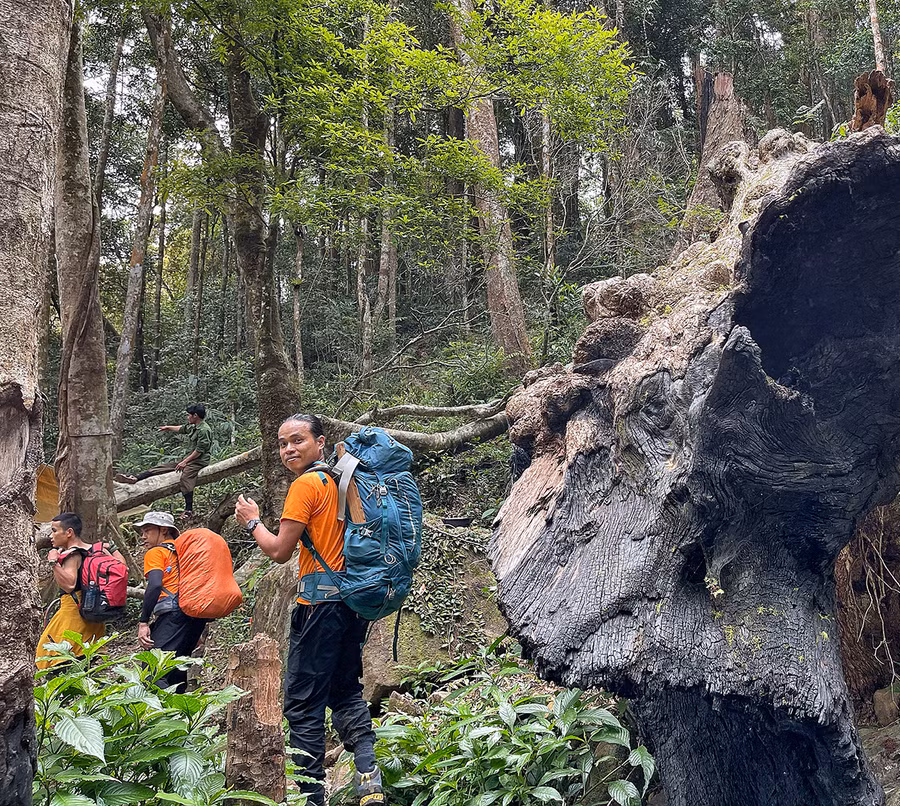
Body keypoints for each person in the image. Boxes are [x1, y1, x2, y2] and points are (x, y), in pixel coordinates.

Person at [234, 414, 383, 806]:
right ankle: (369, 778)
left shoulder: (306, 485)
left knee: (302, 705)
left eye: (297, 440)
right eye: (283, 444)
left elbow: (280, 551)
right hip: (354, 603)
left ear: (320, 442)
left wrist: (252, 523)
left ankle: (312, 796)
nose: (288, 450)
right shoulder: (346, 481)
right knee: (345, 690)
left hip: (318, 606)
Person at [134, 511, 208, 693]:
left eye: (148, 530)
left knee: (153, 670)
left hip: (172, 614)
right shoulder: (184, 553)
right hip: (194, 616)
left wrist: (143, 622)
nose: (143, 536)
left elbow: (155, 585)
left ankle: (163, 717)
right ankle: (180, 716)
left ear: (164, 530)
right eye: (142, 532)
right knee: (176, 669)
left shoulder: (156, 552)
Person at [36, 513, 120, 669]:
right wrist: (112, 548)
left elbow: (69, 584)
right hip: (94, 614)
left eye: (54, 531)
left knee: (49, 657)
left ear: (69, 532)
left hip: (73, 615)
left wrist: (53, 562)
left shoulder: (72, 555)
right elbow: (122, 568)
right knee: (85, 661)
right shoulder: (97, 550)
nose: (50, 536)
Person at [118, 403, 213, 519]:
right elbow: (182, 428)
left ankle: (188, 510)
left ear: (195, 416)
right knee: (164, 467)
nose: (187, 417)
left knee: (185, 477)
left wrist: (185, 462)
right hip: (189, 459)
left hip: (199, 461)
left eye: (189, 415)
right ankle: (136, 478)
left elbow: (199, 451)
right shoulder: (193, 426)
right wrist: (168, 427)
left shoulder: (204, 430)